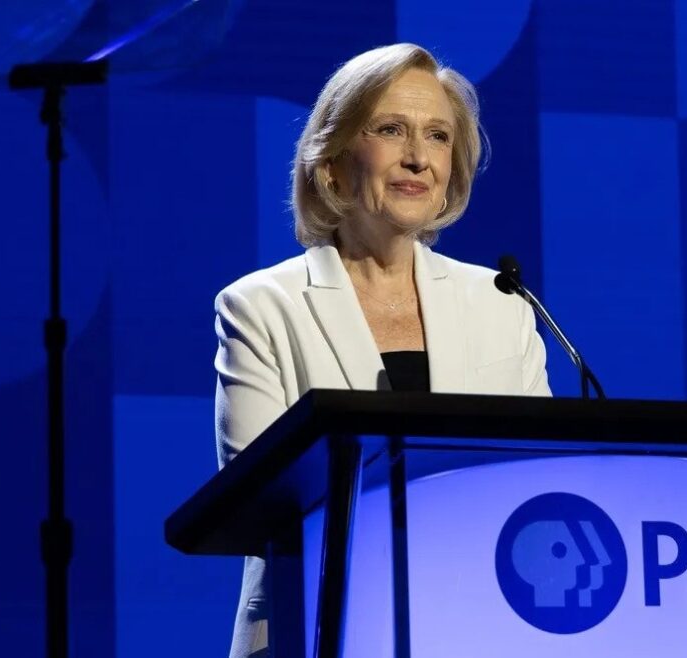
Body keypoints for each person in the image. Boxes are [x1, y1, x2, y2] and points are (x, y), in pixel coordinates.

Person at [213, 43, 551, 658]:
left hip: (479, 623)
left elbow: (538, 478)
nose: (419, 158)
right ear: (334, 161)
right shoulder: (262, 306)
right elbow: (259, 501)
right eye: (391, 130)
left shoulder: (501, 303)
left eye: (438, 136)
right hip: (312, 627)